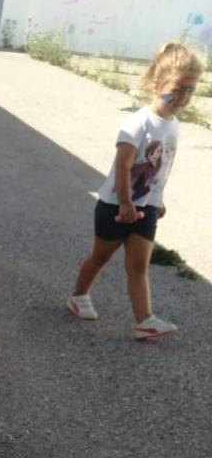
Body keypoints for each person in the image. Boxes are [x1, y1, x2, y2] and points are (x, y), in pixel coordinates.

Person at [66, 41, 205, 339]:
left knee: (139, 266)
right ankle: (79, 296)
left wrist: (157, 200)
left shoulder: (174, 125)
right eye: (178, 89)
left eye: (190, 90)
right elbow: (123, 167)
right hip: (115, 206)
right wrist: (126, 203)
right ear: (156, 85)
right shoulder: (137, 124)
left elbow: (161, 168)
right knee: (100, 257)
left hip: (146, 209)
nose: (183, 97)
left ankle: (145, 320)